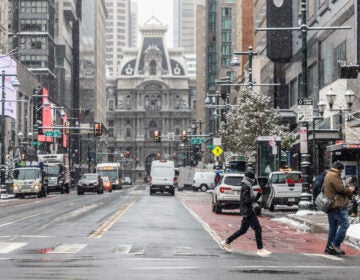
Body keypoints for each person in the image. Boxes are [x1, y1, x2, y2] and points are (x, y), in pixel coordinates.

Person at [220, 170, 271, 257]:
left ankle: (226, 242)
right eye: (253, 177)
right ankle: (260, 249)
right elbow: (246, 200)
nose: (254, 179)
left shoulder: (247, 185)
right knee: (257, 228)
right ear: (250, 178)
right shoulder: (246, 186)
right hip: (248, 211)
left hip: (247, 210)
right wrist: (252, 201)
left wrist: (258, 195)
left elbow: (250, 199)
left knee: (243, 230)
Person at [323, 161, 355, 255]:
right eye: (341, 170)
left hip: (331, 205)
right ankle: (335, 244)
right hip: (337, 204)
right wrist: (350, 189)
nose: (341, 172)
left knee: (333, 227)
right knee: (345, 224)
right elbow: (340, 189)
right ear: (339, 169)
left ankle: (329, 248)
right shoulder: (334, 175)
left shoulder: (328, 174)